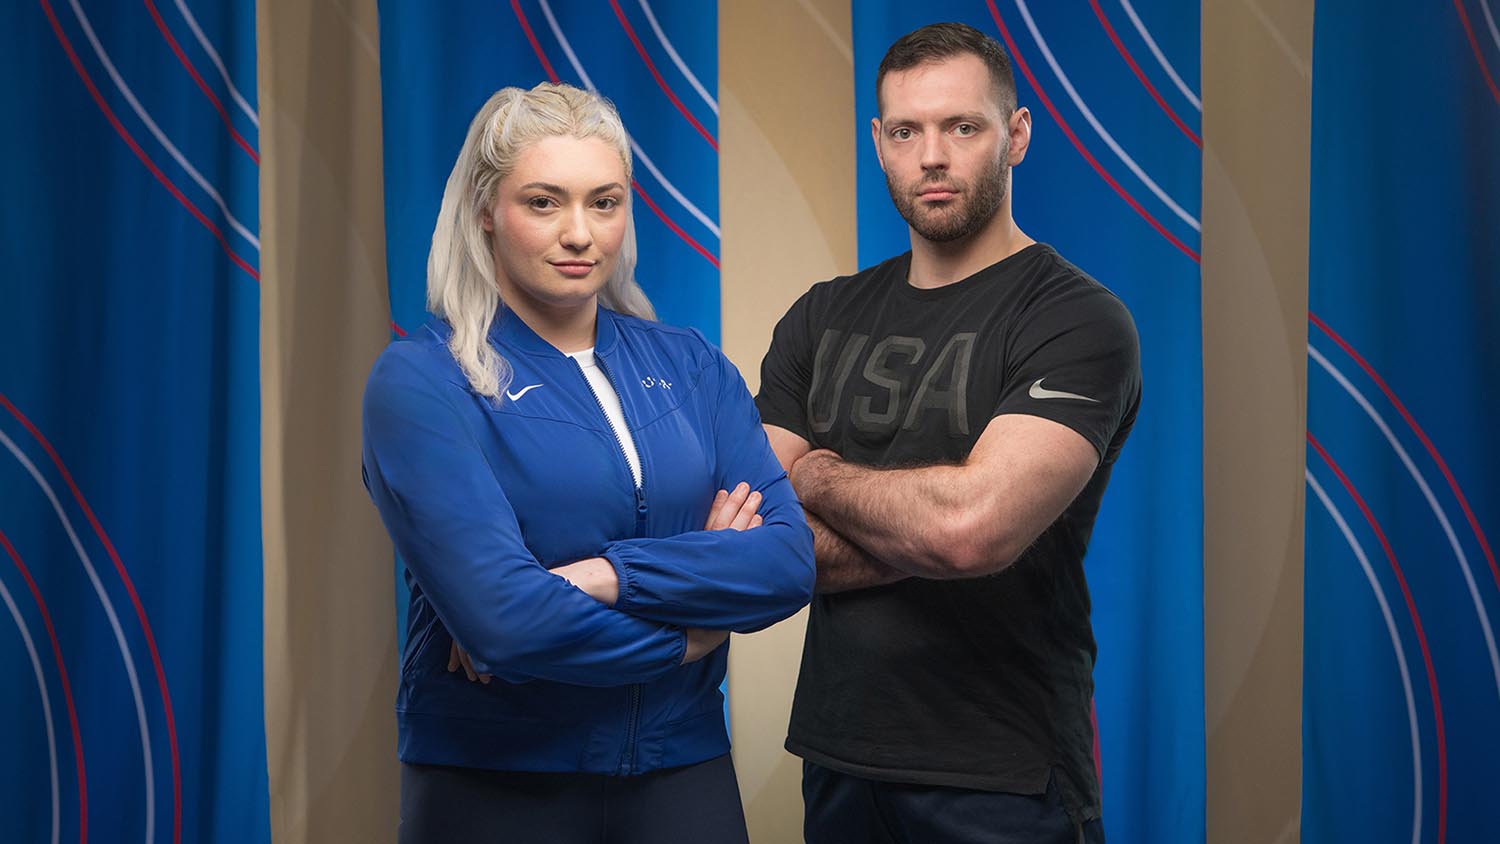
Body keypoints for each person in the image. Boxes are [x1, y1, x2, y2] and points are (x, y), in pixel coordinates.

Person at [362, 82, 814, 844]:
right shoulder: (422, 380)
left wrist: (606, 576)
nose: (579, 232)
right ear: (484, 211)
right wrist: (688, 634)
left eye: (604, 202)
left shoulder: (693, 366)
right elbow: (505, 622)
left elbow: (785, 560)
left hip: (683, 774)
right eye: (544, 202)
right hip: (497, 782)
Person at [755, 22, 1141, 844]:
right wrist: (921, 526)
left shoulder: (1076, 319)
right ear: (880, 143)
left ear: (1017, 134)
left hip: (1006, 778)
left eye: (962, 127)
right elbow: (759, 531)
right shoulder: (821, 317)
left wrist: (818, 478)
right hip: (838, 762)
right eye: (907, 131)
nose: (933, 155)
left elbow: (971, 531)